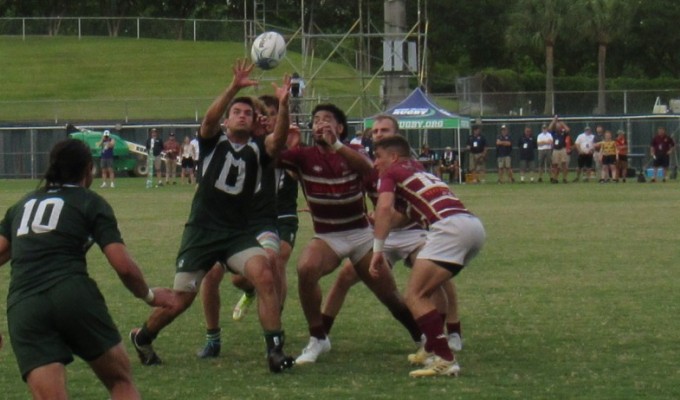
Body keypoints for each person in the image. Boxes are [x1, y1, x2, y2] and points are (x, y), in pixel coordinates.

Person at [129, 59, 295, 373]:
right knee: (180, 301)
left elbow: (279, 139)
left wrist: (284, 105)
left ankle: (275, 350)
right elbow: (209, 119)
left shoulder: (259, 149)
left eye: (248, 112)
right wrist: (233, 87)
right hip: (203, 231)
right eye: (237, 112)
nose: (243, 115)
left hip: (236, 233)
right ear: (227, 120)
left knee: (264, 274)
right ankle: (144, 337)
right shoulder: (211, 141)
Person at [0, 139, 175, 400]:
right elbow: (123, 267)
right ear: (88, 169)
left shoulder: (21, 206)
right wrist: (149, 296)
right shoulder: (90, 202)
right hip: (73, 294)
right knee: (120, 381)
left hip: (25, 306)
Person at [279, 105, 422, 365]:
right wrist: (284, 132)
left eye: (327, 120)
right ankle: (318, 338)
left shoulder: (353, 152)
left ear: (340, 128)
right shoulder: (303, 155)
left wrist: (335, 145)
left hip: (360, 235)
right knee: (306, 268)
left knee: (389, 295)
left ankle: (421, 337)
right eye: (316, 120)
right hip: (327, 236)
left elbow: (368, 170)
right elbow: (271, 154)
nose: (321, 124)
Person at [321, 115, 463, 354]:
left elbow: (410, 211)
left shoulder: (406, 164)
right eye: (375, 131)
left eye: (384, 130)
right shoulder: (369, 165)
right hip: (384, 235)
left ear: (397, 135)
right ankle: (320, 335)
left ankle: (451, 332)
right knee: (346, 275)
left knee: (437, 277)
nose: (378, 134)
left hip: (412, 232)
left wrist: (384, 220)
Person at [369, 135, 485, 377]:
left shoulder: (391, 173)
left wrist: (377, 250)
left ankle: (445, 359)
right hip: (472, 226)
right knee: (430, 290)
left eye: (377, 156)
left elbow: (384, 207)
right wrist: (379, 222)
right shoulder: (417, 171)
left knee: (414, 295)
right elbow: (402, 217)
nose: (374, 163)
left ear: (393, 157)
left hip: (450, 228)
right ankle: (432, 347)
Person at [195, 94, 288, 359]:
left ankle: (274, 336)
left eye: (264, 116)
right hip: (226, 224)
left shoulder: (267, 147)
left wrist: (278, 119)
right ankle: (212, 338)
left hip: (260, 223)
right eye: (257, 115)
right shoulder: (225, 145)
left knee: (272, 259)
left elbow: (281, 142)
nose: (257, 120)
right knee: (212, 273)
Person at [548, 116, 571, 183]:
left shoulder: (563, 132)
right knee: (555, 164)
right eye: (557, 126)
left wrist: (562, 123)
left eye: (559, 126)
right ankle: (555, 178)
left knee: (564, 164)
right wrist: (554, 120)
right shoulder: (553, 132)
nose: (558, 127)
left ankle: (564, 178)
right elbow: (549, 128)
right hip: (555, 149)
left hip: (562, 149)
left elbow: (568, 130)